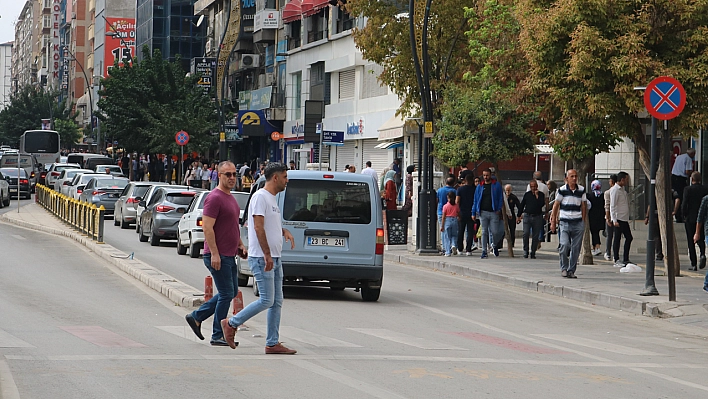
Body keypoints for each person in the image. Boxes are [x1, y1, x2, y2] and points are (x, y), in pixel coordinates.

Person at [221, 163, 297, 355]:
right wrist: (267, 254)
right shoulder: (260, 197)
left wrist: (283, 231)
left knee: (277, 301)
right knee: (266, 300)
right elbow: (258, 227)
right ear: (275, 178)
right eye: (285, 176)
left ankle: (272, 343)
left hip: (275, 257)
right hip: (263, 258)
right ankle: (231, 323)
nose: (287, 180)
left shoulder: (272, 198)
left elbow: (269, 226)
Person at [185, 161, 246, 346]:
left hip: (229, 253)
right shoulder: (214, 197)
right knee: (227, 293)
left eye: (234, 174)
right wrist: (214, 254)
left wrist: (240, 245)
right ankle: (218, 334)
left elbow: (232, 227)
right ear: (219, 175)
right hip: (218, 255)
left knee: (231, 291)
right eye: (227, 174)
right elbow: (208, 228)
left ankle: (196, 316)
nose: (232, 177)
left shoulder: (231, 198)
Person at [550, 169, 587, 278]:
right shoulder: (562, 190)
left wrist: (583, 220)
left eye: (576, 176)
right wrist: (553, 221)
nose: (574, 178)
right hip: (565, 222)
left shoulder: (581, 190)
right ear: (566, 179)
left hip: (578, 222)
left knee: (576, 248)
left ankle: (571, 270)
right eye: (572, 176)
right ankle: (564, 268)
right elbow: (556, 205)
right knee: (564, 245)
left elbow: (583, 205)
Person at [472, 169, 504, 259]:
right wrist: (473, 212)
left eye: (487, 175)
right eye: (484, 175)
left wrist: (498, 209)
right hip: (483, 212)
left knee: (494, 232)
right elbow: (476, 199)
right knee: (484, 232)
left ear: (490, 175)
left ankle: (494, 245)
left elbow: (500, 198)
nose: (486, 177)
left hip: (493, 212)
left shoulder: (496, 185)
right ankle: (484, 251)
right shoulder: (480, 186)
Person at [610, 171, 635, 268]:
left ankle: (626, 258)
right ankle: (616, 258)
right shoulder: (615, 190)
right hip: (618, 218)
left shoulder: (623, 190)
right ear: (622, 179)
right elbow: (613, 205)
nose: (627, 182)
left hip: (624, 218)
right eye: (626, 179)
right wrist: (614, 219)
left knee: (629, 237)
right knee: (617, 238)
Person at [684, 171, 708, 270]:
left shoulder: (688, 189)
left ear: (692, 179)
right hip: (703, 219)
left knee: (691, 241)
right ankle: (702, 254)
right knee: (701, 238)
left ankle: (693, 263)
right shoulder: (705, 189)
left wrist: (684, 216)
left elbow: (684, 204)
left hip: (691, 218)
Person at [517, 179, 546, 259]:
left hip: (537, 216)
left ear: (537, 186)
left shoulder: (541, 195)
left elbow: (541, 204)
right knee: (525, 233)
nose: (533, 188)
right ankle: (525, 250)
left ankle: (533, 252)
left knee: (535, 236)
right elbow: (522, 205)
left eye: (535, 186)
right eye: (532, 187)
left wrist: (537, 196)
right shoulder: (527, 194)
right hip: (527, 215)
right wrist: (518, 215)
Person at [672, 148, 695, 222]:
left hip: (673, 177)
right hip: (681, 179)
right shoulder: (688, 159)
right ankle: (678, 215)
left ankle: (676, 213)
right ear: (692, 154)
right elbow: (687, 171)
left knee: (675, 196)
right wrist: (693, 174)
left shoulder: (679, 157)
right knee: (681, 197)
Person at [456, 174, 476, 255]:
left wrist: (457, 213)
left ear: (465, 180)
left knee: (461, 231)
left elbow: (457, 201)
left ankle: (460, 249)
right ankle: (468, 249)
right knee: (470, 231)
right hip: (471, 212)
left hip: (462, 212)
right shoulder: (475, 189)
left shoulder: (460, 189)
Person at [436, 177, 458, 247]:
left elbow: (436, 201)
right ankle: (453, 245)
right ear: (453, 183)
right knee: (453, 232)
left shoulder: (439, 190)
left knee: (443, 230)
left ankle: (445, 247)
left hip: (440, 211)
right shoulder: (455, 191)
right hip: (453, 213)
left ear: (446, 182)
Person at [588, 180, 606, 256]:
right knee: (596, 232)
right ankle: (595, 247)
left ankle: (596, 247)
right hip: (601, 215)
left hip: (592, 216)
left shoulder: (589, 195)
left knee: (594, 232)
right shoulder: (603, 195)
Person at [440, 191, 460, 256]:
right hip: (454, 220)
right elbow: (458, 213)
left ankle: (448, 252)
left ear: (448, 198)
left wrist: (442, 226)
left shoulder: (445, 206)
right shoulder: (456, 206)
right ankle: (454, 245)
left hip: (447, 220)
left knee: (447, 237)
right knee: (454, 235)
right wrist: (459, 218)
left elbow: (443, 217)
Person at [603, 174, 617, 261]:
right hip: (618, 216)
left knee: (609, 235)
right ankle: (615, 254)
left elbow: (607, 206)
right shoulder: (620, 191)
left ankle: (608, 252)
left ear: (611, 182)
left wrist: (607, 218)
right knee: (615, 236)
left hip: (611, 216)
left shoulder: (608, 192)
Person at [504, 184, 520, 250]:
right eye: (506, 190)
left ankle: (512, 243)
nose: (508, 191)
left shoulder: (513, 197)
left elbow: (519, 206)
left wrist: (519, 215)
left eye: (509, 190)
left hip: (511, 214)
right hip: (504, 215)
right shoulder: (503, 196)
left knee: (512, 229)